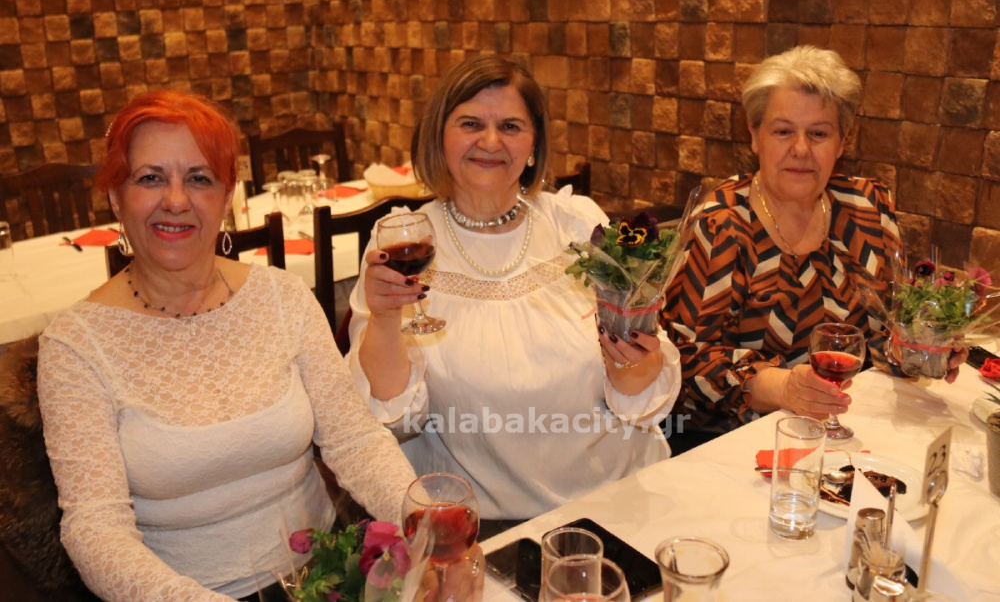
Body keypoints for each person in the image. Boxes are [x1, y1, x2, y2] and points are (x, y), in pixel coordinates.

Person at [36, 91, 418, 601]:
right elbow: (94, 527)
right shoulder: (75, 345)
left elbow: (354, 441)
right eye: (150, 178)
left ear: (227, 196)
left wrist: (426, 525)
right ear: (115, 198)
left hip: (326, 576)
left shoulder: (283, 296)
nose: (176, 200)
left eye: (199, 178)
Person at [346, 55, 682, 527]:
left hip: (613, 502)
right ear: (438, 135)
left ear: (533, 144)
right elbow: (393, 419)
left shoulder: (577, 224)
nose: (490, 141)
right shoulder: (405, 240)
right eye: (470, 124)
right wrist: (384, 318)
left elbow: (638, 396)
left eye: (509, 126)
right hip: (481, 525)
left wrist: (634, 361)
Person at [660, 45, 965, 445]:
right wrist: (784, 387)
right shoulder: (721, 223)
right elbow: (687, 360)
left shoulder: (868, 207)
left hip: (849, 426)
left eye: (819, 133)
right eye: (783, 131)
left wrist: (920, 348)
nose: (801, 149)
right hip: (736, 440)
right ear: (755, 136)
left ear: (842, 141)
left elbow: (885, 331)